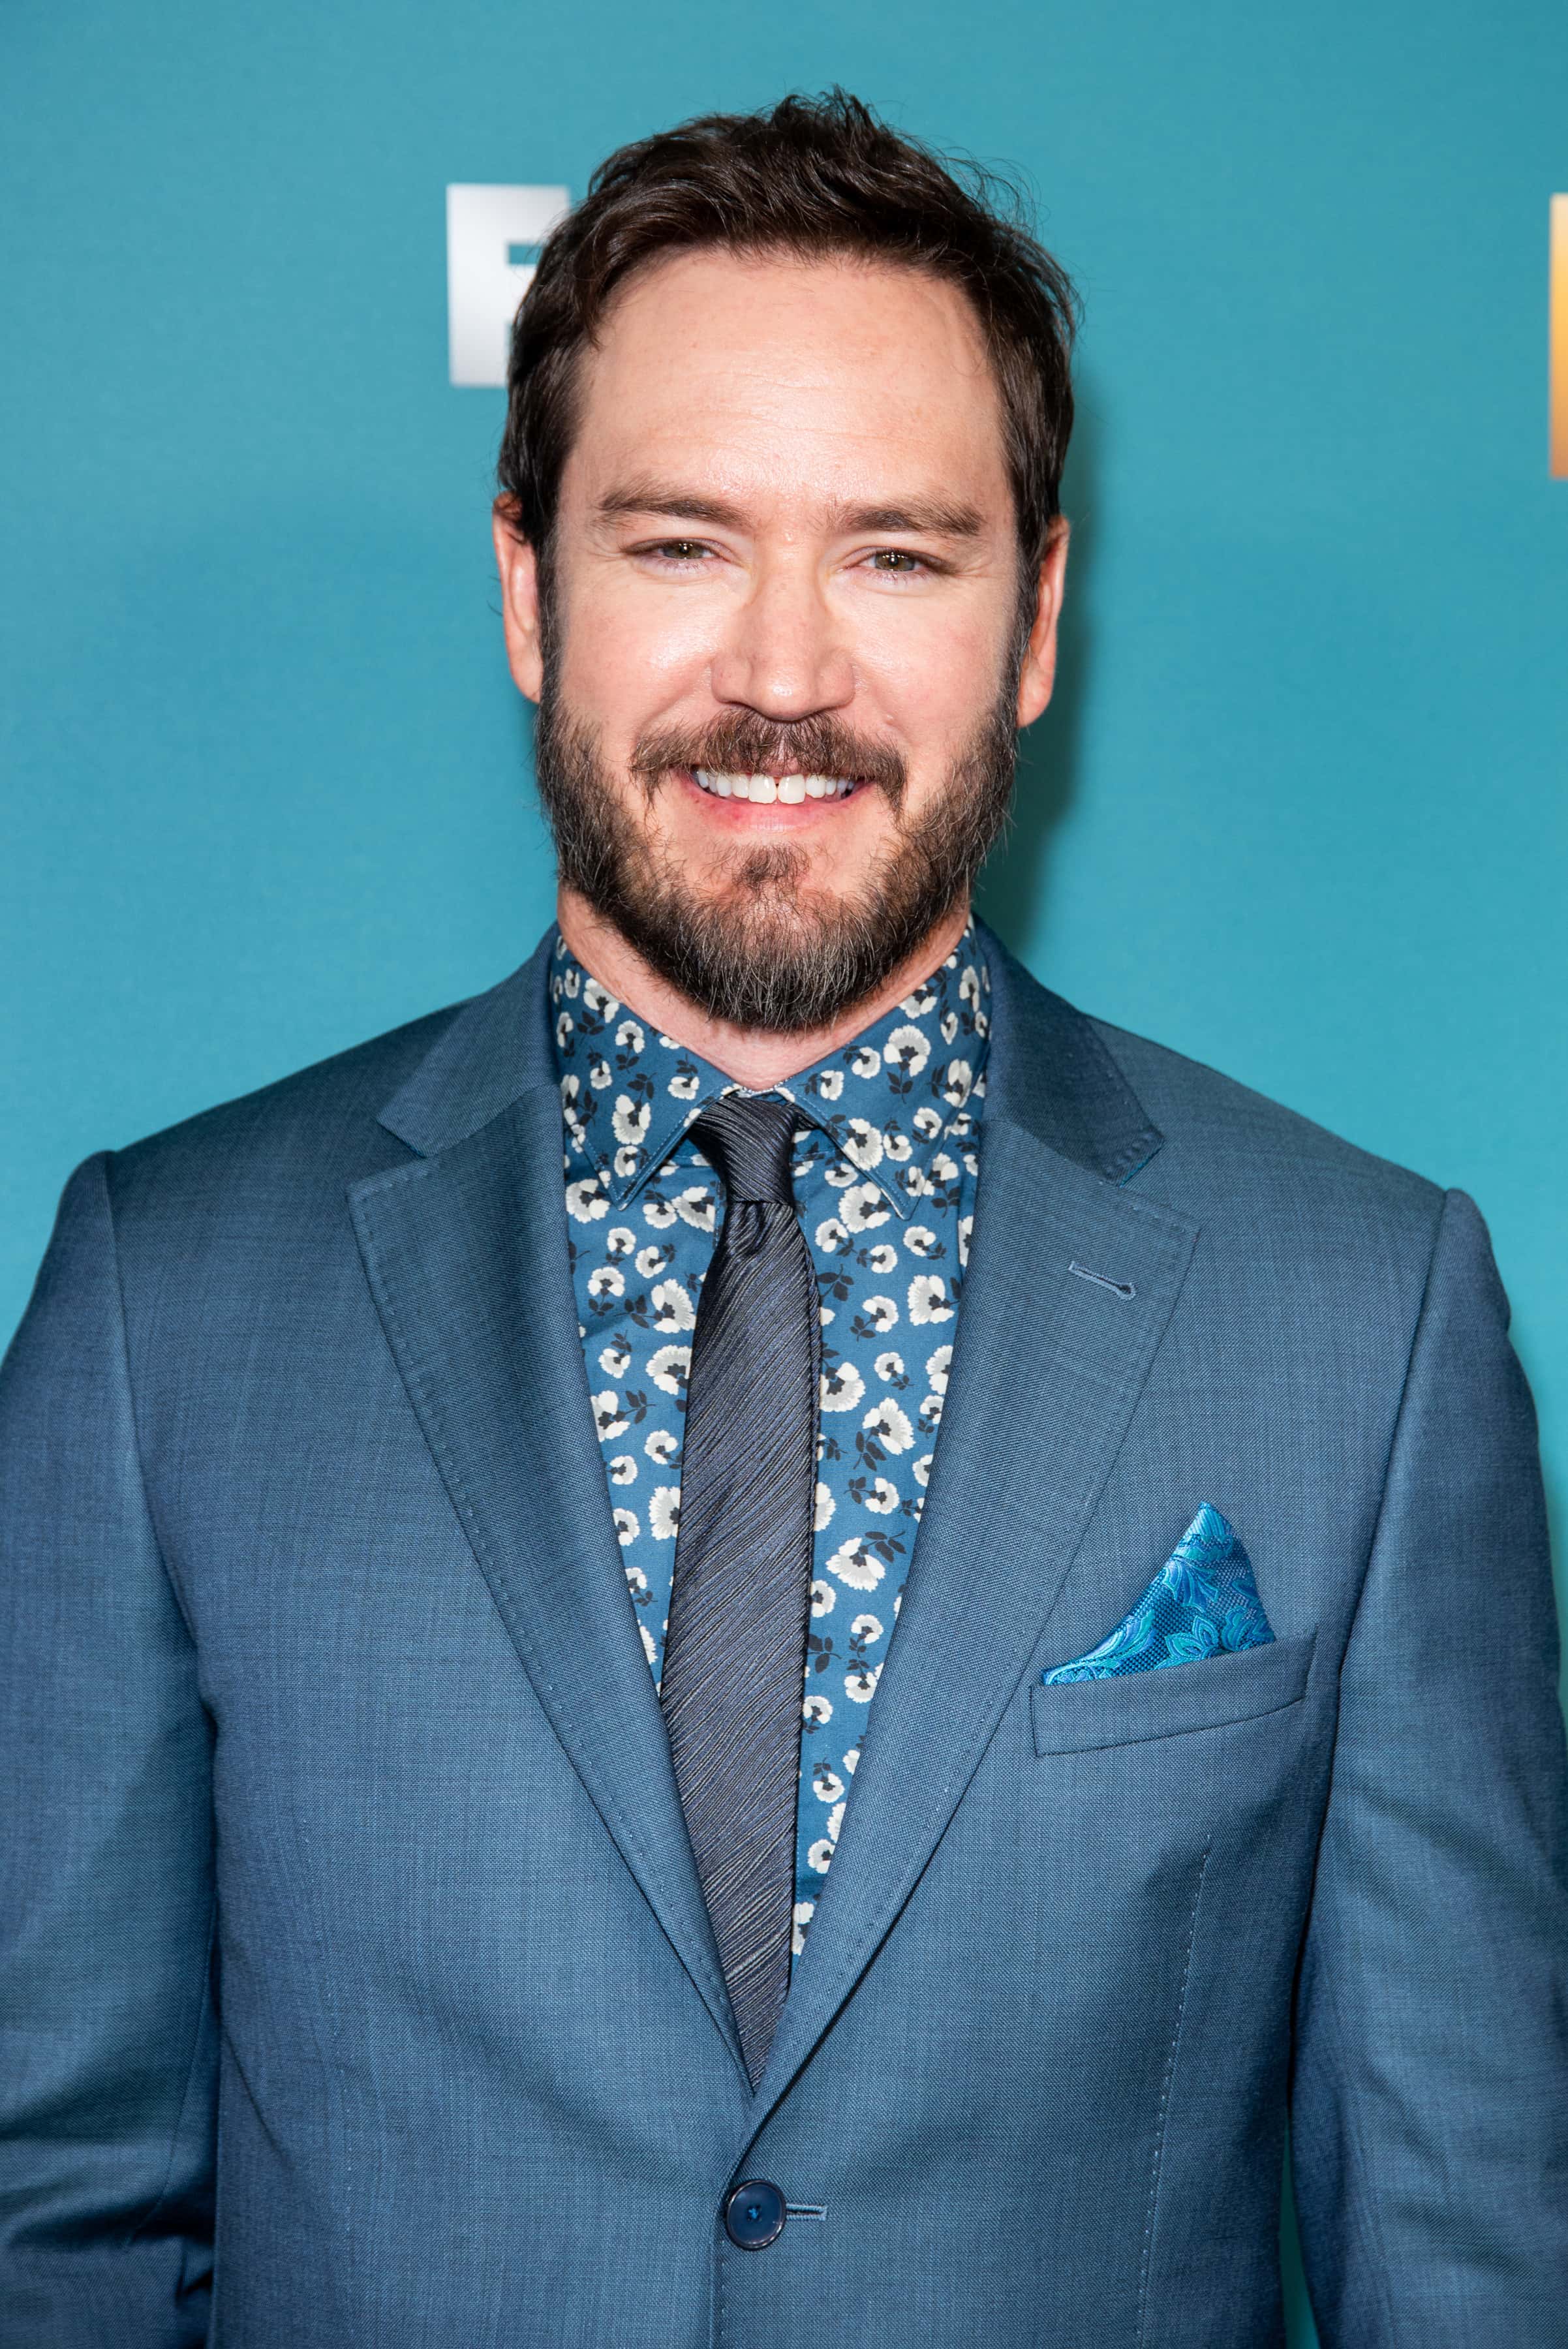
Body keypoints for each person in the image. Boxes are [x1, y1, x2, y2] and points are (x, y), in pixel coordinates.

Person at [1, 88, 1564, 2349]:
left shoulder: (1363, 1313)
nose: (783, 673)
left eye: (895, 556)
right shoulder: (167, 1297)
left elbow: (1467, 2237)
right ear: (527, 589)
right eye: (679, 544)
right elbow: (49, 2211)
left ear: (1036, 618)